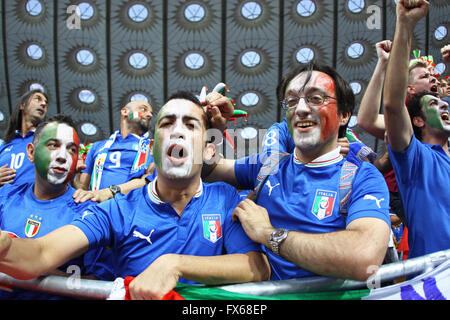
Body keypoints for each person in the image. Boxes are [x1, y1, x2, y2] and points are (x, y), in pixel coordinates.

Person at [0, 92, 270, 300]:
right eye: (166, 124)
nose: (177, 131)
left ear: (209, 151)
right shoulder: (118, 209)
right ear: (153, 149)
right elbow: (41, 253)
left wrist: (175, 265)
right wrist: (6, 246)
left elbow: (258, 267)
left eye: (190, 125)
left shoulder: (224, 197)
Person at [204, 63, 391, 281]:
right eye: (292, 101)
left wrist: (268, 233)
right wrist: (212, 127)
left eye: (316, 99)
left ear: (344, 115)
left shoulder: (362, 177)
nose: (300, 109)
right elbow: (207, 169)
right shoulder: (269, 164)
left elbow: (364, 258)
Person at [0, 114, 113, 299]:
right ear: (31, 152)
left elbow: (99, 286)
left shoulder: (89, 212)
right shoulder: (5, 196)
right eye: (53, 145)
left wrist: (27, 266)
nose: (62, 157)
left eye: (72, 150)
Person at [382, 0, 450, 260]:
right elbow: (392, 105)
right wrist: (405, 25)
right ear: (418, 121)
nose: (444, 106)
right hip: (435, 284)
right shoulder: (416, 159)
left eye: (445, 104)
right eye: (434, 103)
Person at [72, 100, 154, 203]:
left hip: (132, 211)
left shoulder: (151, 148)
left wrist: (109, 192)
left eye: (151, 113)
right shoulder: (97, 147)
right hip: (97, 210)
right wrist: (74, 175)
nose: (149, 115)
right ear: (125, 112)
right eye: (143, 109)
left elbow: (148, 181)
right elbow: (82, 189)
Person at [0, 90, 48, 187]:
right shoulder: (4, 144)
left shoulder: (47, 139)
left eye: (46, 103)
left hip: (33, 200)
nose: (43, 104)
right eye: (38, 99)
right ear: (22, 105)